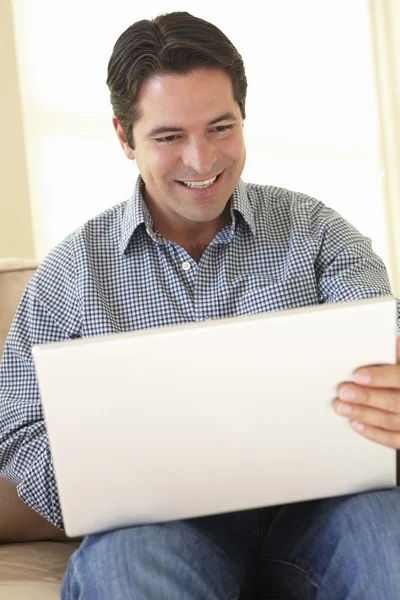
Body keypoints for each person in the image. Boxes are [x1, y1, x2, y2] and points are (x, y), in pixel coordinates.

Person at [1, 10, 400, 599]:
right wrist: (96, 485)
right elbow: (17, 430)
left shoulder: (318, 234)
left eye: (221, 127)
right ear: (122, 136)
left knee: (386, 547)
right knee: (129, 570)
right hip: (159, 523)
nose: (202, 160)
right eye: (168, 137)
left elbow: (384, 349)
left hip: (326, 512)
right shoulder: (71, 273)